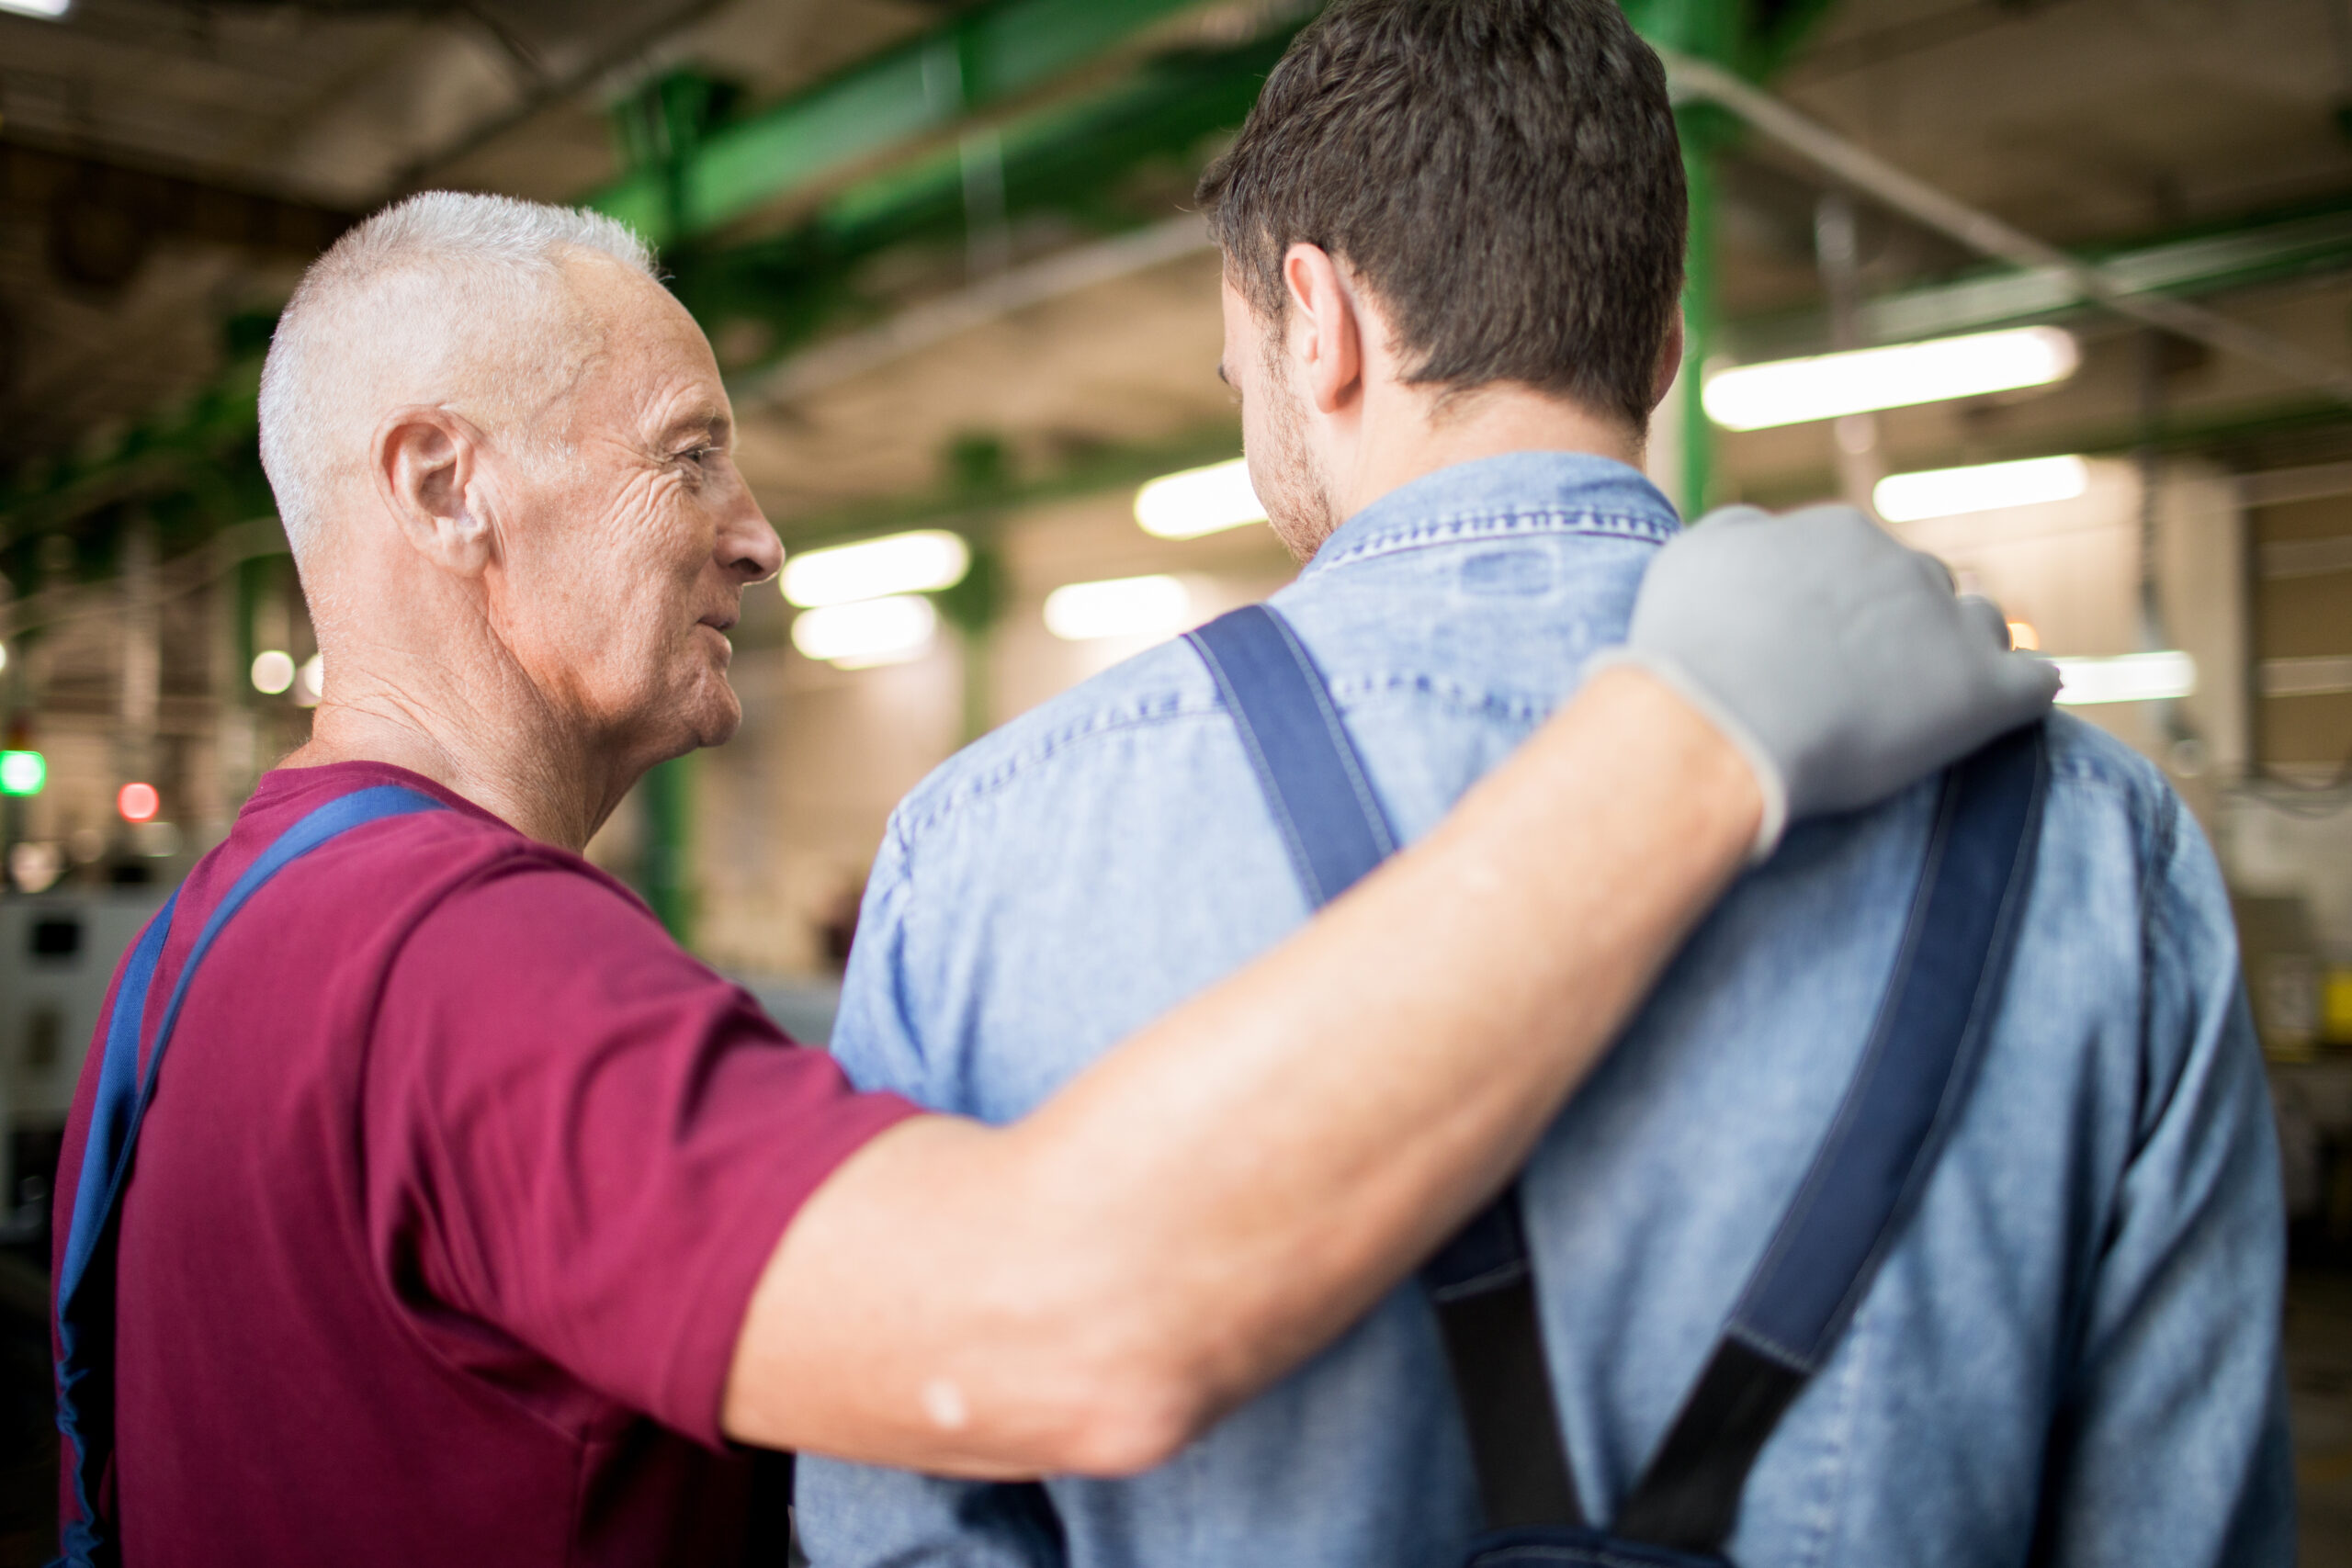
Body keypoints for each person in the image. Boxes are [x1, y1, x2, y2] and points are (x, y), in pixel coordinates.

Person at [47, 186, 2045, 1566]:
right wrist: (1683, 742)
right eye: (686, 456)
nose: (755, 536)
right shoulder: (462, 970)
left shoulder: (208, 947)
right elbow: (1066, 1311)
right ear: (440, 481)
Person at [794, 2, 2293, 1564]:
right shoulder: (2101, 840)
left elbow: (908, 1520)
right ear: (1659, 345)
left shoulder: (991, 842)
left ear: (1319, 324)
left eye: (1238, 366)